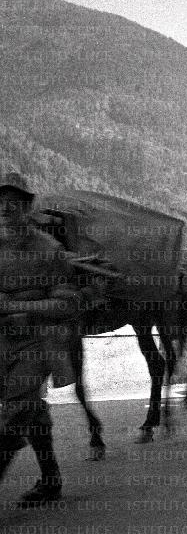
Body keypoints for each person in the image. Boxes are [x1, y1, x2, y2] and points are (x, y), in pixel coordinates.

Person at [0, 172, 84, 506]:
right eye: (0, 203)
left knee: (15, 412)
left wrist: (21, 307)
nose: (6, 209)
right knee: (31, 411)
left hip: (37, 342)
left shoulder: (49, 251)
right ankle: (51, 480)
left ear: (28, 207)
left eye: (14, 203)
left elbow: (67, 302)